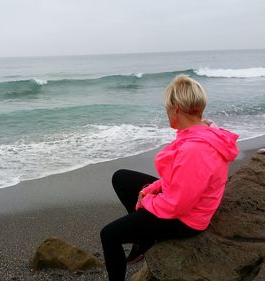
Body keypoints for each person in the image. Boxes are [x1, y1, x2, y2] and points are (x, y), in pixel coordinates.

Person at [100, 75, 239, 281]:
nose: (166, 113)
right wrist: (152, 188)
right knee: (121, 178)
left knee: (109, 235)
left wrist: (147, 201)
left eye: (167, 108)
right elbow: (183, 179)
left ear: (175, 108)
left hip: (187, 220)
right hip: (188, 199)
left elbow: (178, 205)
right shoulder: (204, 131)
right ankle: (143, 241)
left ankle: (140, 241)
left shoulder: (195, 149)